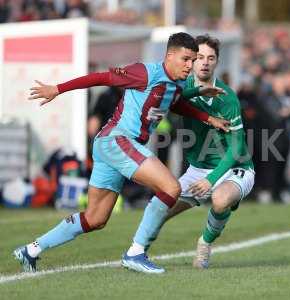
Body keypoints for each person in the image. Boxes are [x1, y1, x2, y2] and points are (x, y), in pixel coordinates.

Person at [14, 32, 230, 274]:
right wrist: (58, 88)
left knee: (95, 219)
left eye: (194, 60)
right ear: (170, 55)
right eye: (186, 59)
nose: (190, 66)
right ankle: (136, 253)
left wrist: (207, 117)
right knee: (171, 188)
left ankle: (30, 250)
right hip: (118, 141)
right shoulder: (145, 72)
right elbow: (102, 77)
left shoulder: (178, 83)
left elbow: (174, 103)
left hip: (111, 147)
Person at [144, 35, 255, 269]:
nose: (205, 62)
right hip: (197, 169)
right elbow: (171, 102)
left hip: (235, 168)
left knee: (220, 199)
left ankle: (204, 244)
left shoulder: (228, 98)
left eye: (211, 58)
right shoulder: (183, 87)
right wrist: (198, 92)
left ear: (217, 62)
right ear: (192, 60)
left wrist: (211, 180)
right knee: (158, 209)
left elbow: (236, 148)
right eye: (200, 57)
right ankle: (137, 252)